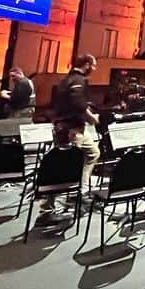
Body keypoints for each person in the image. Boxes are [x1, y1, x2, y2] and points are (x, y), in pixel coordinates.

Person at [43, 55, 102, 212]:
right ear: (87, 64)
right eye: (93, 66)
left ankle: (75, 193)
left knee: (91, 154)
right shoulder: (78, 80)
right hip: (73, 130)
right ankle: (54, 203)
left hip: (62, 126)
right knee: (68, 165)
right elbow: (78, 104)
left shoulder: (65, 80)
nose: (94, 69)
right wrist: (92, 118)